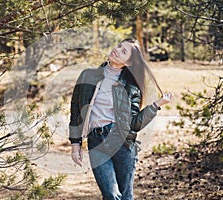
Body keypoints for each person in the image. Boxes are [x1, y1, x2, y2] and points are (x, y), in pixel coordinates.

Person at [68, 39, 173, 200]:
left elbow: (134, 123)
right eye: (119, 46)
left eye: (124, 52)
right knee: (111, 194)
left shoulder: (131, 87)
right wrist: (76, 144)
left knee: (125, 195)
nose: (117, 50)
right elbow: (75, 110)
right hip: (96, 141)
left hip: (122, 143)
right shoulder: (87, 75)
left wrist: (157, 105)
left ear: (129, 62)